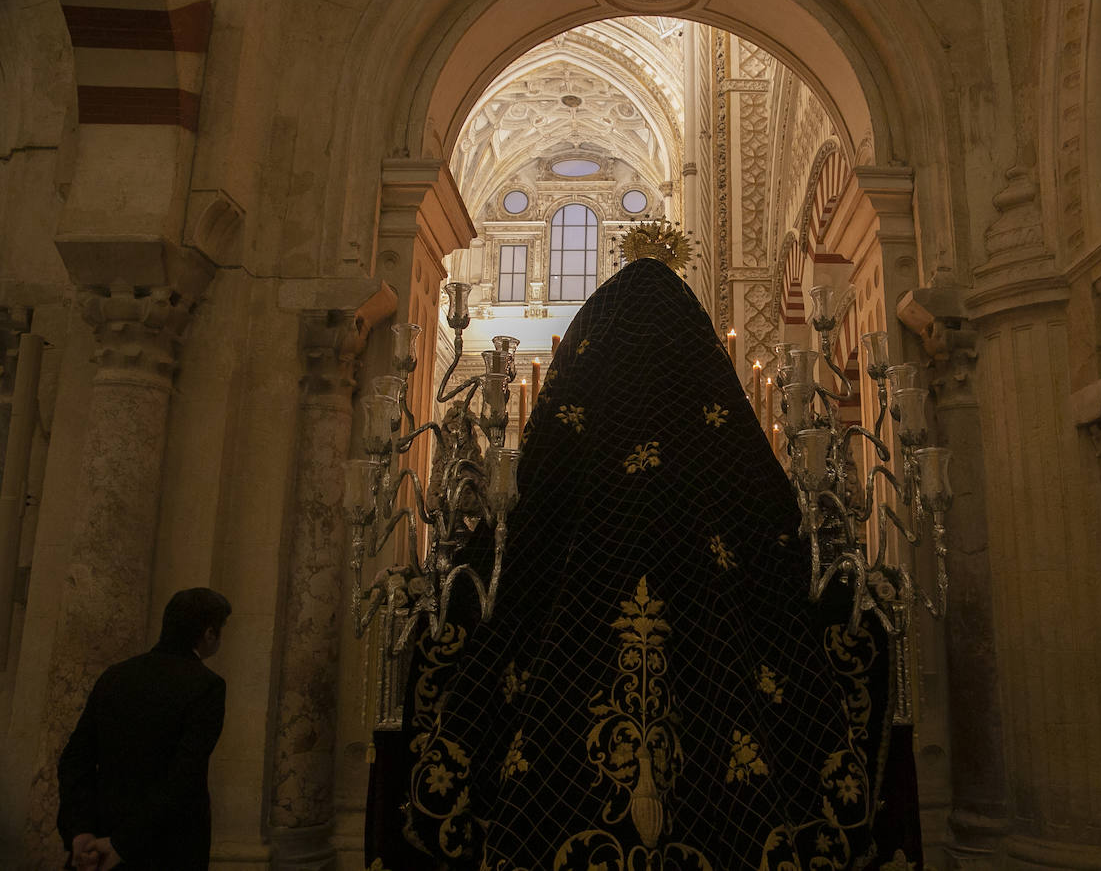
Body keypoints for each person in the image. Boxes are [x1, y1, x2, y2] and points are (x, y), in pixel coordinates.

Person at [365, 240, 919, 869]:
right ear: (702, 368)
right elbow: (784, 543)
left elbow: (489, 570)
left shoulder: (565, 497)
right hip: (717, 628)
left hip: (568, 634)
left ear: (584, 365)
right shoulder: (716, 466)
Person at [57, 587, 232, 871]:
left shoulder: (116, 675)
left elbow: (75, 760)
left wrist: (79, 831)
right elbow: (183, 777)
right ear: (209, 633)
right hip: (165, 846)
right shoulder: (206, 685)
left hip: (100, 837)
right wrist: (123, 844)